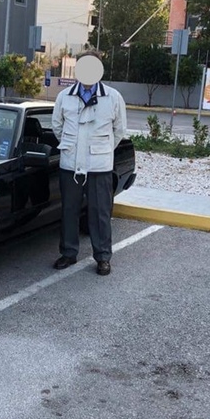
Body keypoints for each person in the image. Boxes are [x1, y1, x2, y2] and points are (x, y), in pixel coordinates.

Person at [51, 50, 127, 276]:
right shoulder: (64, 96)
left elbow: (119, 130)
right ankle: (68, 253)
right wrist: (73, 147)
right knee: (69, 211)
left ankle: (103, 257)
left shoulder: (113, 97)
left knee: (100, 214)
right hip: (70, 165)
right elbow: (57, 126)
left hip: (99, 167)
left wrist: (101, 150)